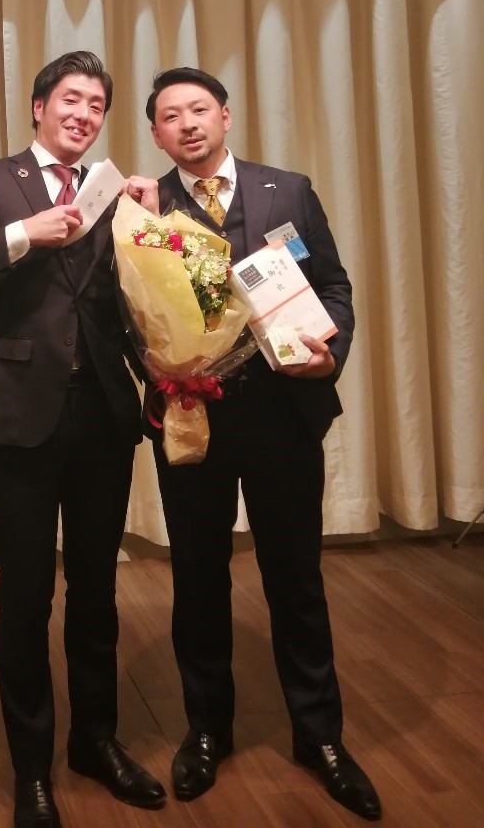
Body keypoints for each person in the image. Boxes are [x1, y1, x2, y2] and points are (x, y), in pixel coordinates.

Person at [0, 51, 166, 828]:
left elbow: (145, 301)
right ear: (38, 106)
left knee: (96, 592)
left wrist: (155, 225)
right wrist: (24, 232)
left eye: (96, 105)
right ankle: (32, 769)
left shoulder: (112, 194)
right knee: (24, 596)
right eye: (71, 99)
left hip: (104, 416)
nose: (84, 114)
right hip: (20, 416)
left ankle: (95, 742)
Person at [139, 65, 382, 821]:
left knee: (296, 577)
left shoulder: (288, 192)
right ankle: (208, 730)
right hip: (194, 419)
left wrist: (329, 352)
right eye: (171, 115)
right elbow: (127, 311)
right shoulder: (144, 210)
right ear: (156, 134)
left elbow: (333, 285)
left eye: (199, 109)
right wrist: (158, 367)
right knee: (198, 580)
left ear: (226, 115)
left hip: (283, 414)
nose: (188, 123)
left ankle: (320, 735)